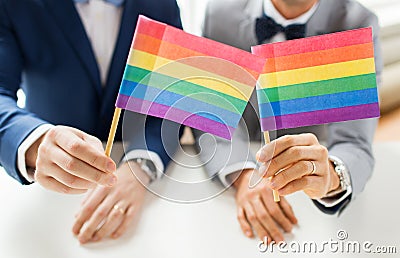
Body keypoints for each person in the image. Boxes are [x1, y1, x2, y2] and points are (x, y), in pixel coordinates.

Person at [194, 0, 382, 243]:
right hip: (228, 209)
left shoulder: (357, 23)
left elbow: (354, 142)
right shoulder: (218, 14)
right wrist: (244, 174)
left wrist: (331, 177)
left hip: (312, 217)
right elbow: (212, 113)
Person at [0, 0, 182, 244]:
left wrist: (140, 166)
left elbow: (172, 102)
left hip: (144, 202)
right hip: (45, 196)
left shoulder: (163, 5)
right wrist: (34, 141)